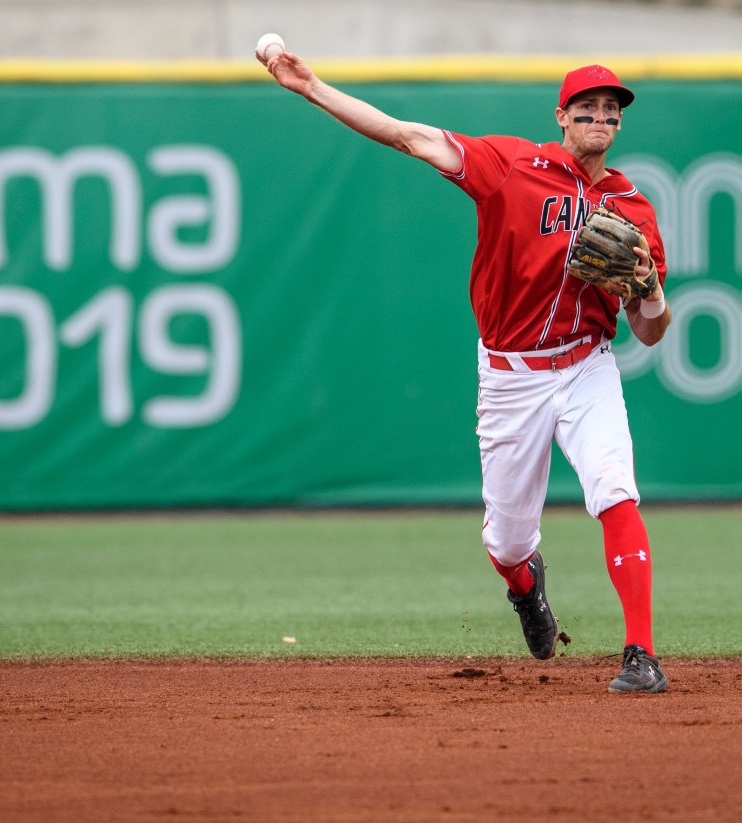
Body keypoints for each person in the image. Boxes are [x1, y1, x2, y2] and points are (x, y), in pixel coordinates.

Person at [258, 51, 672, 693]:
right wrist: (312, 87)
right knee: (507, 542)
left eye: (610, 110)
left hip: (588, 365)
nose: (600, 116)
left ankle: (640, 655)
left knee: (615, 488)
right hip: (512, 376)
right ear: (561, 117)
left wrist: (649, 291)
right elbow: (410, 136)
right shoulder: (513, 165)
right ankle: (527, 586)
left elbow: (649, 329)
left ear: (618, 124)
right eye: (586, 107)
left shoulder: (633, 209)